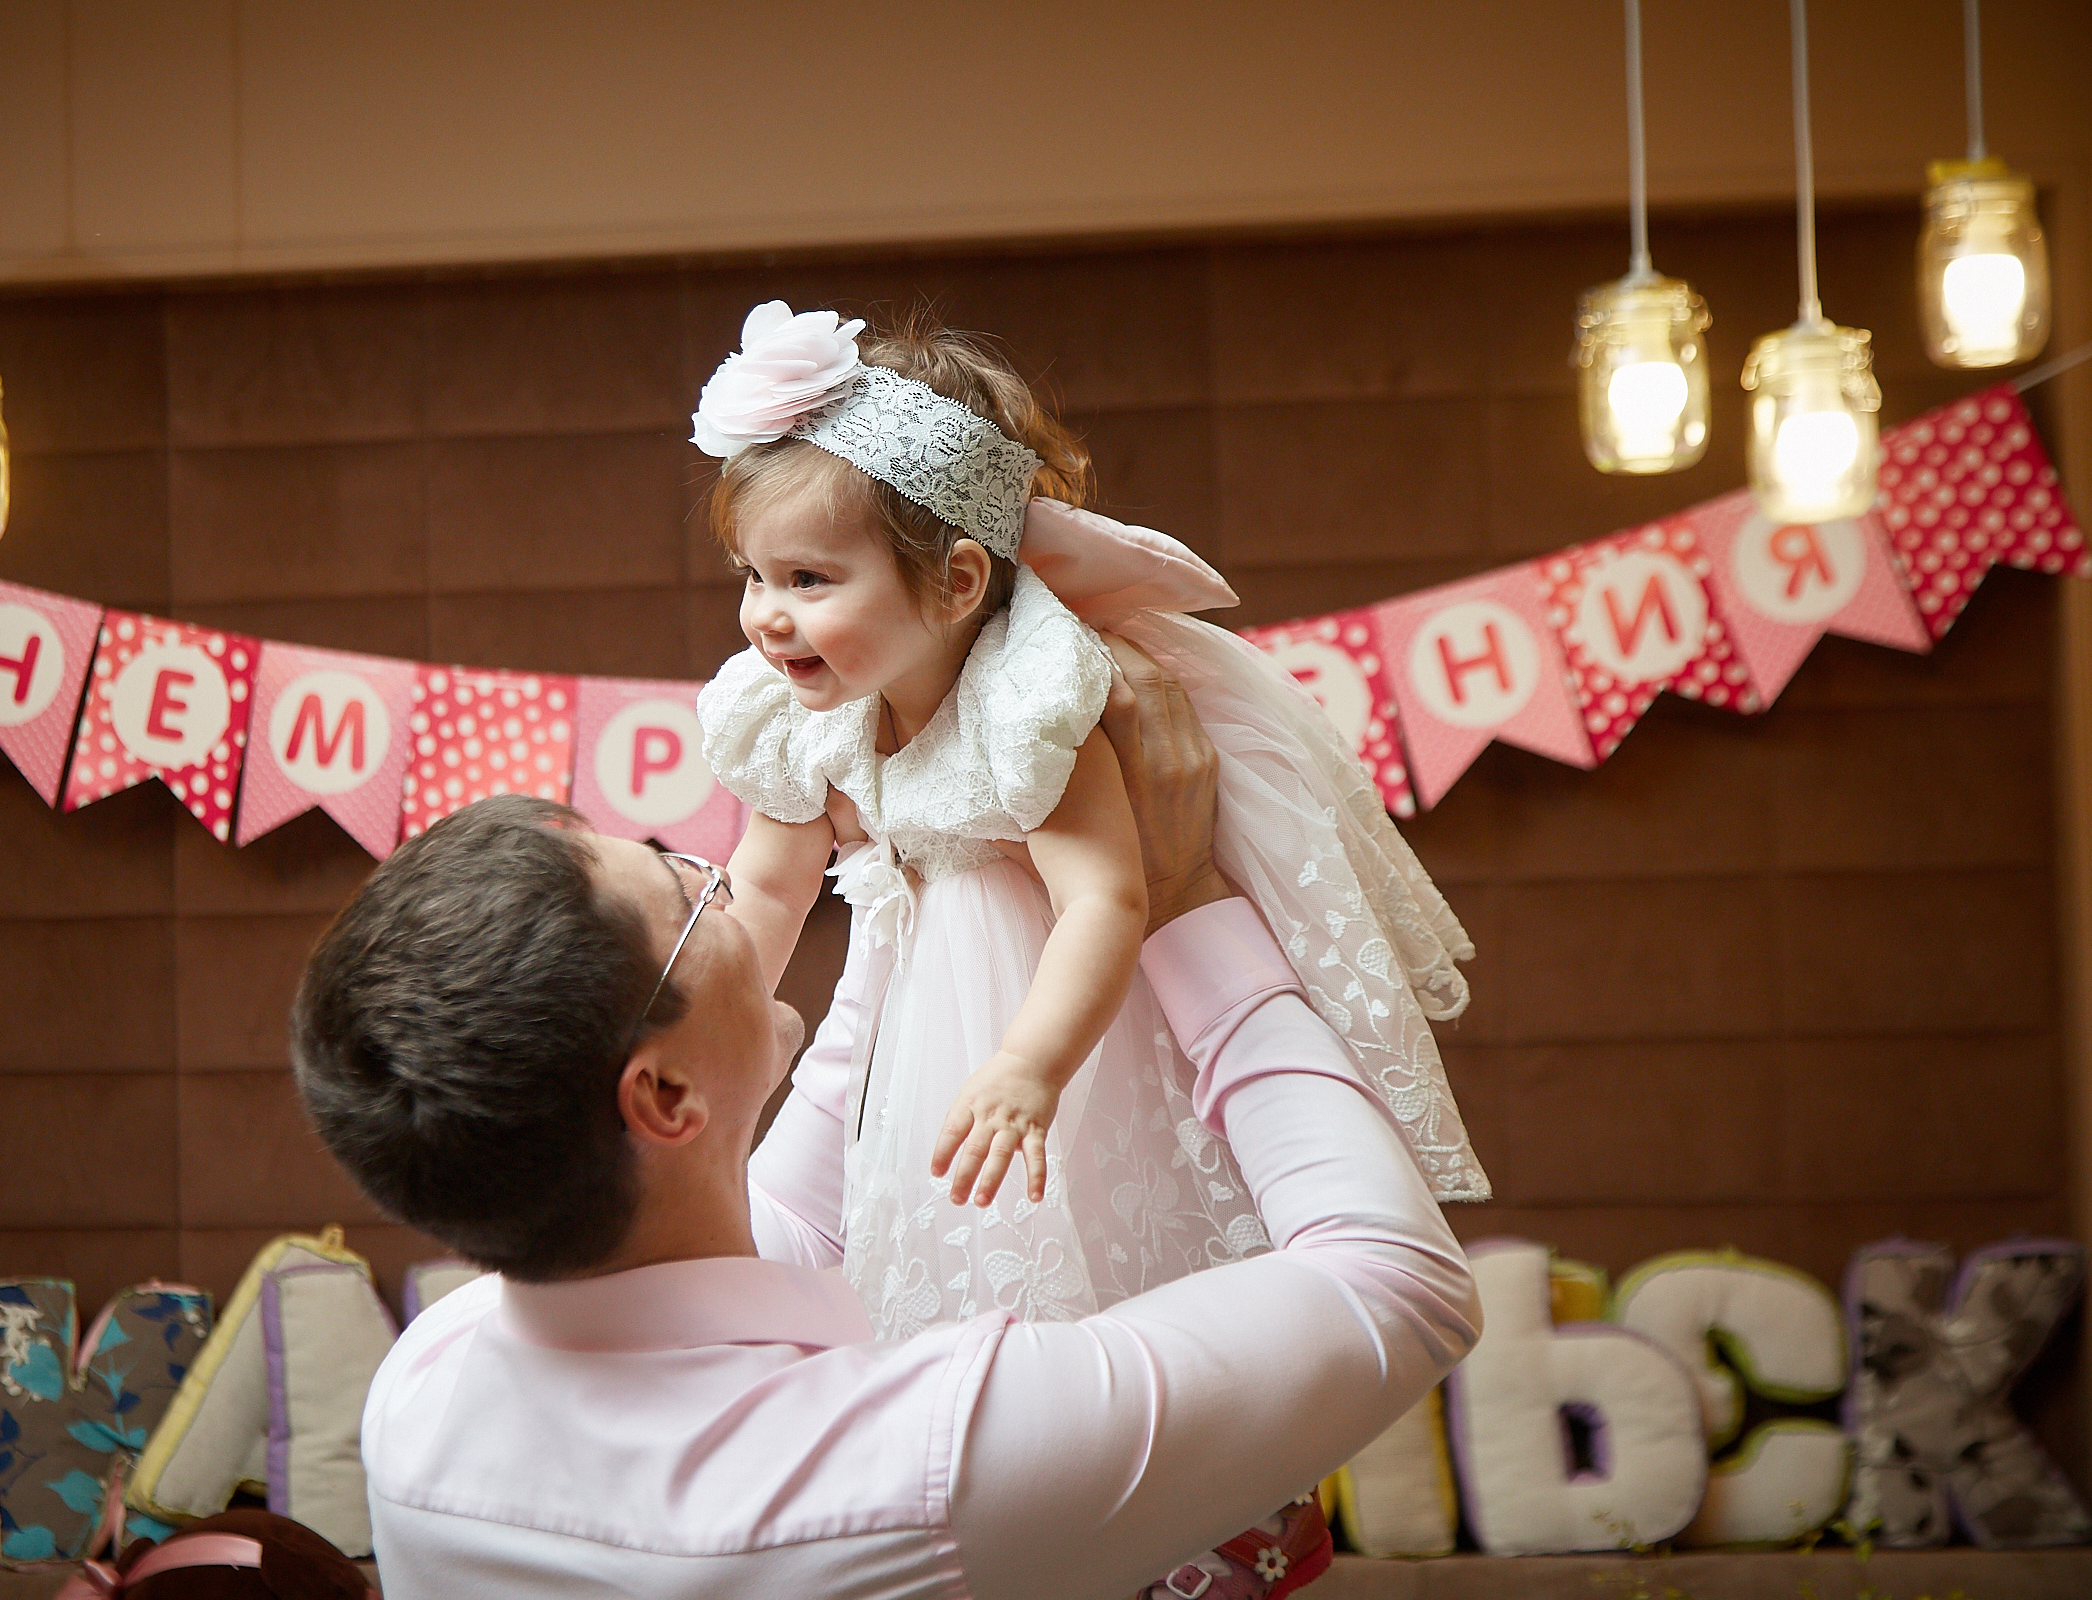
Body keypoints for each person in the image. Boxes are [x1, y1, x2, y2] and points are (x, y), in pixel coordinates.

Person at [292, 645, 1482, 1600]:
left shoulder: (426, 1393)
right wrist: (1181, 905)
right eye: (684, 889)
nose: (724, 882)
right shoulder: (918, 1469)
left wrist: (903, 882)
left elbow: (798, 1206)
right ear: (661, 1097)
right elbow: (1396, 1285)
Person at [690, 301, 1488, 1352]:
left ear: (957, 582)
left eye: (810, 579)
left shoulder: (1025, 706)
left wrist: (1033, 1063)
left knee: (1093, 1241)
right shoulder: (812, 713)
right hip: (914, 1007)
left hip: (1068, 1014)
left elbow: (1110, 896)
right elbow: (769, 885)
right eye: (756, 575)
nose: (767, 614)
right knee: (939, 1255)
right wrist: (705, 1029)